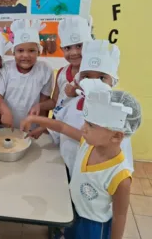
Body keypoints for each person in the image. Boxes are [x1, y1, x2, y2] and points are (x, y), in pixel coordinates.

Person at [21, 80, 142, 239]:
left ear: (116, 136)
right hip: (74, 214)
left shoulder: (120, 176)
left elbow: (120, 216)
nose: (83, 127)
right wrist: (34, 119)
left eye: (91, 125)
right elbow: (62, 127)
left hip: (93, 227)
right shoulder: (88, 144)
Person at [26, 40, 135, 177]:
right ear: (78, 79)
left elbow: (119, 162)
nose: (93, 82)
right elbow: (62, 123)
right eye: (86, 76)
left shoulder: (117, 116)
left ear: (113, 81)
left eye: (102, 78)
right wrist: (43, 127)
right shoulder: (72, 102)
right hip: (67, 165)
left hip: (96, 177)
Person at [0, 19, 54, 129]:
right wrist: (5, 112)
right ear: (13, 52)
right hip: (5, 126)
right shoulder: (6, 68)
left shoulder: (45, 70)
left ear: (39, 51)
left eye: (31, 51)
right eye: (20, 51)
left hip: (31, 127)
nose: (25, 55)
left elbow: (44, 101)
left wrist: (41, 125)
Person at [29, 16, 93, 119]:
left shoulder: (95, 74)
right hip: (57, 124)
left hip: (78, 130)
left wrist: (79, 93)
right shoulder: (62, 73)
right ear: (62, 49)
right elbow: (55, 101)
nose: (74, 52)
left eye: (79, 46)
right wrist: (39, 106)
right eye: (68, 48)